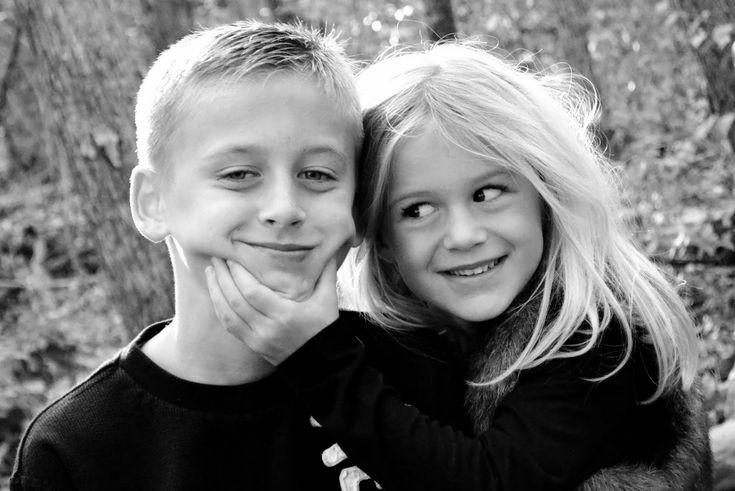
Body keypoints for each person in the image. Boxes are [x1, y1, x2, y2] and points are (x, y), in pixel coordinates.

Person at [208, 41, 712, 490]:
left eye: (487, 193)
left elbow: (489, 480)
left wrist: (320, 362)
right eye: (417, 210)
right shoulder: (426, 346)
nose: (464, 235)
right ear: (380, 239)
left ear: (545, 195)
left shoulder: (594, 335)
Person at [10, 21, 466, 490]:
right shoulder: (75, 448)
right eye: (239, 174)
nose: (284, 209)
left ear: (355, 206)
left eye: (317, 174)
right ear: (152, 202)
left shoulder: (424, 375)